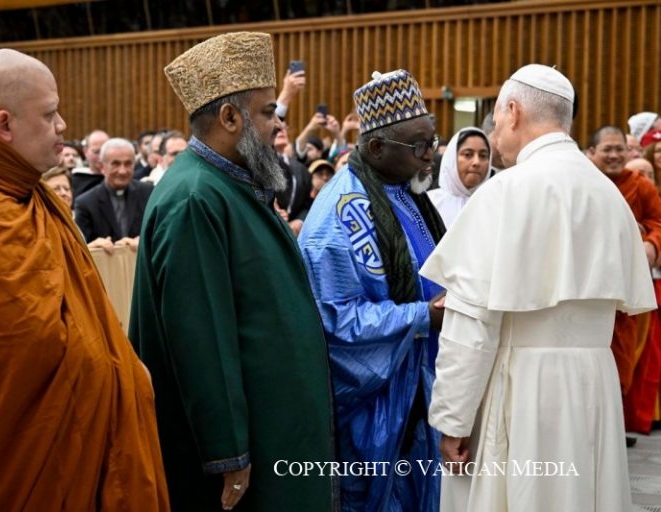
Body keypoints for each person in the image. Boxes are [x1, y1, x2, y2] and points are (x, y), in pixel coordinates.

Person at [0, 48, 169, 511]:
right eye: (49, 114)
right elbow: (20, 356)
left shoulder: (21, 188)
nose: (62, 125)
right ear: (4, 125)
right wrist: (117, 380)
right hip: (13, 467)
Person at [421, 64, 655, 512]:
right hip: (595, 385)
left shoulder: (503, 193)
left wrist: (453, 420)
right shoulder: (609, 195)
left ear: (512, 112)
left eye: (496, 119)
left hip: (525, 388)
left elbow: (471, 326)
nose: (495, 133)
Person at [129, 32, 336, 512]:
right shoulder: (196, 198)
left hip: (271, 431)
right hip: (241, 462)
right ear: (229, 118)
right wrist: (229, 454)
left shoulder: (228, 184)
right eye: (268, 112)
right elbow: (201, 339)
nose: (278, 125)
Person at [298, 68, 445, 512]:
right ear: (377, 147)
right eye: (418, 146)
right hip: (371, 410)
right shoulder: (338, 216)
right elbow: (333, 320)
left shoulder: (406, 192)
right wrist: (422, 316)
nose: (430, 156)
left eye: (432, 141)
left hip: (418, 391)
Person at [587, 126, 661, 443]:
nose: (615, 155)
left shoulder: (640, 185)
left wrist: (652, 244)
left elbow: (658, 222)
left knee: (622, 361)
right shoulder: (584, 182)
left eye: (620, 149)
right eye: (607, 149)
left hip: (624, 295)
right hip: (587, 290)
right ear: (592, 153)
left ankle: (612, 430)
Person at [74, 137, 153, 250]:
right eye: (116, 164)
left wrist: (144, 241)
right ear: (102, 166)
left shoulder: (149, 194)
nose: (122, 171)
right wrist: (93, 246)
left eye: (128, 164)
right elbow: (79, 248)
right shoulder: (86, 203)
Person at [427, 127, 491, 228]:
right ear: (452, 158)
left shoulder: (495, 204)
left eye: (483, 156)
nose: (477, 162)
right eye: (468, 154)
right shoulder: (429, 203)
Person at [72, 128, 108, 197]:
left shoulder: (119, 180)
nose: (101, 157)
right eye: (96, 152)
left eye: (105, 151)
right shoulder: (75, 180)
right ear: (86, 151)